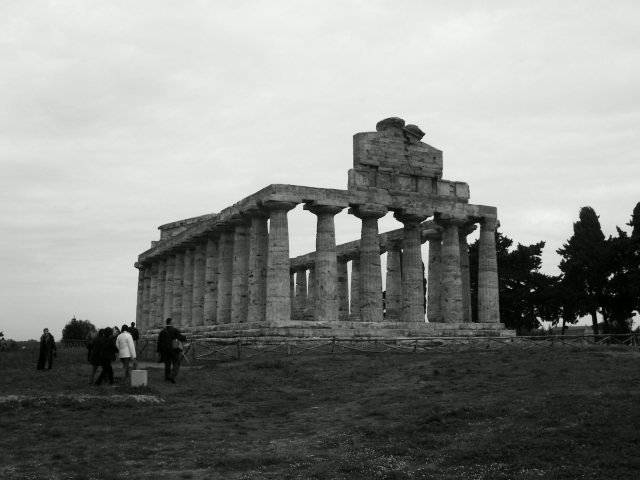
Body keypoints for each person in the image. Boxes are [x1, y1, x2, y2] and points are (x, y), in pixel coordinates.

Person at [156, 317, 187, 384]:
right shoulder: (174, 330)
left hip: (164, 350)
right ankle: (172, 376)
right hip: (174, 349)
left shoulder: (162, 331)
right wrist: (185, 338)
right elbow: (180, 338)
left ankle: (166, 377)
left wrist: (159, 351)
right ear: (171, 322)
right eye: (173, 322)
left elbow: (159, 342)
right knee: (177, 363)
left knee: (167, 364)